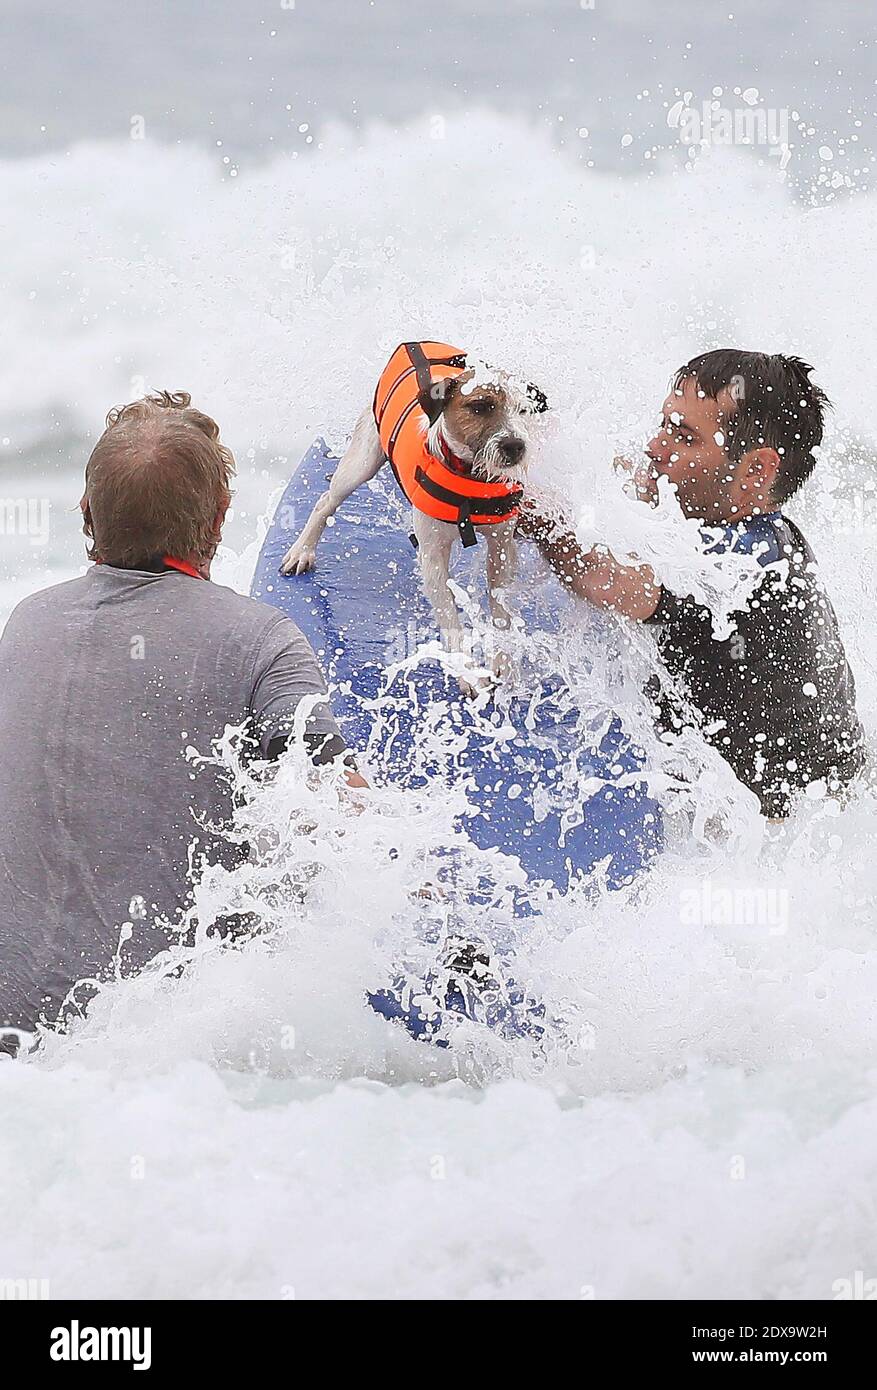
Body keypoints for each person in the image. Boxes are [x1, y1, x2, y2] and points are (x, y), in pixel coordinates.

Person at [0, 391, 362, 1043]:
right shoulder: (260, 640)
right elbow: (349, 820)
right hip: (161, 1046)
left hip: (15, 1036)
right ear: (220, 516)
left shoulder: (24, 624)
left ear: (86, 514)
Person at [519, 350, 865, 819]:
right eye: (664, 425)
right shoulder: (716, 514)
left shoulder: (746, 566)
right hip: (776, 796)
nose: (656, 448)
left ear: (757, 471)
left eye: (682, 436)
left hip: (790, 829)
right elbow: (615, 474)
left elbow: (601, 577)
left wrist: (521, 499)